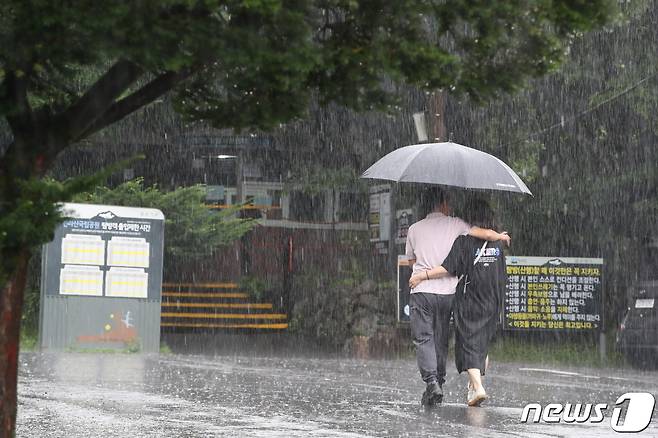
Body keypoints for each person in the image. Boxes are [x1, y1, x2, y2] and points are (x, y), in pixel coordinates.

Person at [405, 188, 510, 406]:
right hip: (450, 295)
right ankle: (443, 381)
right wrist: (499, 236)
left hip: (423, 292)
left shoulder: (415, 229)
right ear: (442, 204)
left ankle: (434, 382)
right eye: (448, 202)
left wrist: (421, 273)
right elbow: (484, 234)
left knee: (426, 338)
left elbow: (412, 260)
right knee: (442, 340)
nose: (451, 206)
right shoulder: (457, 225)